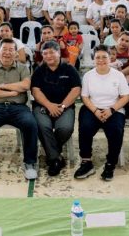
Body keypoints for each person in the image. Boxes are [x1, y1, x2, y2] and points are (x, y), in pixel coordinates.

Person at [0, 38, 38, 185]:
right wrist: (10, 93)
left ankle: (29, 163)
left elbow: (25, 86)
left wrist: (0, 86)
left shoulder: (23, 68)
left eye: (11, 50)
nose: (7, 53)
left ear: (16, 53)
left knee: (30, 124)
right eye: (5, 49)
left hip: (18, 108)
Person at [74, 45, 129, 181]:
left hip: (114, 109)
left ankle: (111, 163)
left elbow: (125, 97)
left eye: (104, 57)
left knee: (116, 130)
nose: (101, 60)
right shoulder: (88, 76)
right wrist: (95, 111)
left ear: (110, 58)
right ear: (94, 59)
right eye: (97, 57)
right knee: (85, 127)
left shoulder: (118, 75)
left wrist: (111, 110)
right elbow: (85, 97)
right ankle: (86, 162)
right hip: (93, 108)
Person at [31, 41, 82, 177]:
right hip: (43, 106)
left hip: (64, 107)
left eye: (52, 52)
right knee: (42, 126)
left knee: (65, 128)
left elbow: (76, 89)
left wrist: (62, 106)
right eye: (45, 53)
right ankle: (55, 160)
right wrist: (49, 105)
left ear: (59, 53)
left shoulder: (69, 69)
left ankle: (51, 150)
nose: (48, 56)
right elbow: (36, 91)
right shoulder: (39, 71)